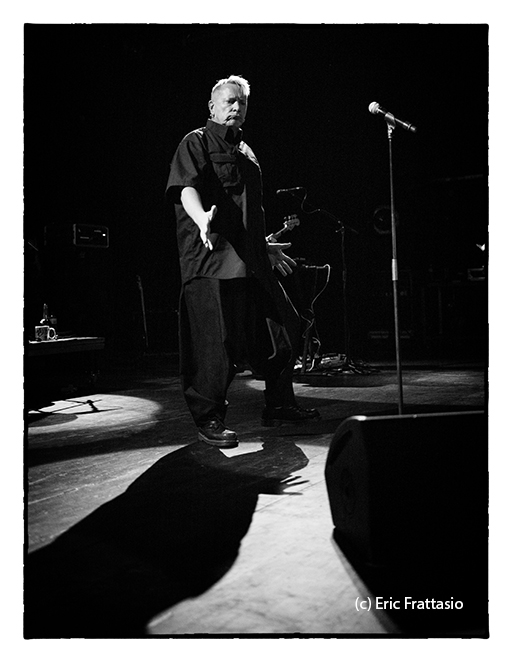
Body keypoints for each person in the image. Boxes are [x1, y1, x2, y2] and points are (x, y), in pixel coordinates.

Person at [166, 75, 319, 448]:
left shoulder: (247, 151)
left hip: (251, 261)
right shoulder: (196, 142)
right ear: (212, 107)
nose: (236, 107)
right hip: (211, 261)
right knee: (214, 347)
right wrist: (201, 217)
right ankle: (209, 417)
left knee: (284, 327)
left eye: (242, 102)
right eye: (229, 101)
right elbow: (185, 188)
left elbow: (247, 211)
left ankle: (279, 404)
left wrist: (262, 246)